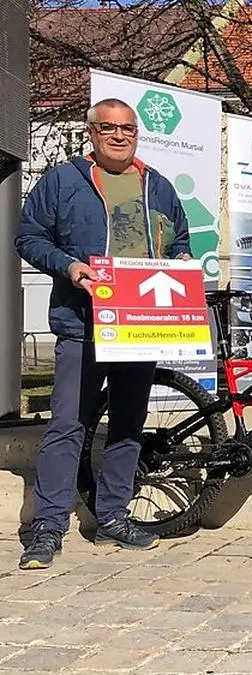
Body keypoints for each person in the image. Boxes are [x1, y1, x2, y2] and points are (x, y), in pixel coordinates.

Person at [14, 98, 192, 569]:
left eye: (128, 129)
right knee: (67, 424)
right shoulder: (62, 180)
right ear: (91, 132)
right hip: (82, 323)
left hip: (139, 325)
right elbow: (29, 237)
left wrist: (176, 268)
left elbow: (180, 243)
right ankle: (48, 525)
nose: (119, 136)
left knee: (129, 425)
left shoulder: (159, 185)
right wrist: (70, 267)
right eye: (109, 128)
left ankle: (112, 515)